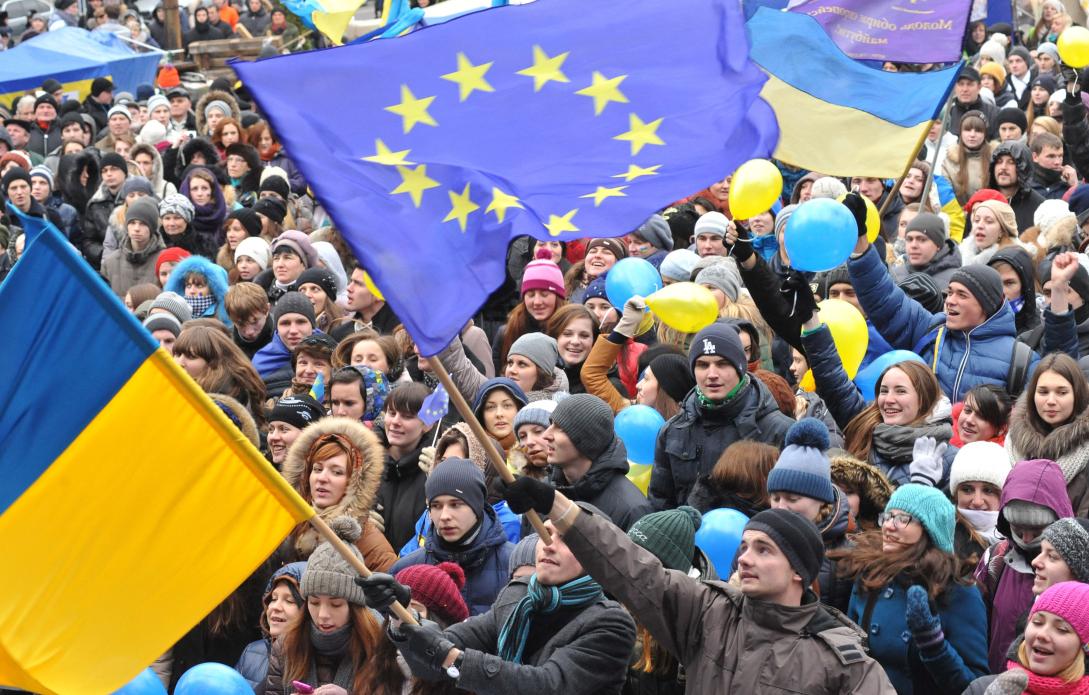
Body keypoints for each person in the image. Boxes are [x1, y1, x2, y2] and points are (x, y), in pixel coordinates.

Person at [495, 481, 896, 692]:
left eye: (763, 550)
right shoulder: (710, 611)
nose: (745, 559)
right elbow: (632, 568)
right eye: (743, 548)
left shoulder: (841, 661)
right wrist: (556, 504)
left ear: (798, 572)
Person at [361, 513, 637, 695]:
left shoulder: (610, 623)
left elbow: (548, 686)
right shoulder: (517, 596)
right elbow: (428, 662)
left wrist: (450, 656)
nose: (549, 544)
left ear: (596, 554)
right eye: (546, 532)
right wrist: (400, 614)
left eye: (566, 539)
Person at [833, 484, 989, 694]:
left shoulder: (959, 591)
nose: (889, 525)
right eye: (887, 516)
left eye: (902, 519)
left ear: (930, 528)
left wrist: (933, 643)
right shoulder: (872, 574)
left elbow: (974, 686)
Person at [650, 322, 792, 510]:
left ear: (740, 367)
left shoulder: (780, 431)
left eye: (722, 363)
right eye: (702, 365)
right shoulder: (674, 430)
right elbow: (660, 504)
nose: (712, 374)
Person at [264, 517, 405, 694]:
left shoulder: (380, 648)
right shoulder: (286, 646)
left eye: (336, 604)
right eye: (314, 602)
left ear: (355, 607)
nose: (322, 614)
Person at [974, 459, 1072, 673]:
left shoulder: (1076, 566)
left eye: (1037, 532)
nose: (1026, 539)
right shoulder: (995, 559)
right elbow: (974, 629)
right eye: (1018, 529)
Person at [390, 457, 514, 616]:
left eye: (455, 504)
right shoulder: (405, 569)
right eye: (436, 506)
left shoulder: (513, 565)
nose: (444, 516)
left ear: (477, 505)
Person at [279, 417, 398, 573]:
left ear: (356, 483)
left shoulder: (372, 546)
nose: (322, 478)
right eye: (317, 469)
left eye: (336, 472)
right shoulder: (288, 527)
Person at [766, 418, 853, 612]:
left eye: (793, 499)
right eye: (775, 497)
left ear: (821, 500)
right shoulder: (753, 543)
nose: (780, 507)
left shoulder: (848, 556)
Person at [545, 393, 652, 530]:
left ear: (588, 440)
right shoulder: (545, 492)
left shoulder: (631, 509)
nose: (546, 435)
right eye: (551, 424)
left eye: (560, 428)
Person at [962, 581, 1089, 694]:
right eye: (1037, 622)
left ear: (1085, 647)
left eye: (1061, 629)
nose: (1042, 634)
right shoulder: (981, 689)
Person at [1005, 353, 1089, 516]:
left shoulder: (1085, 453)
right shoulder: (1012, 443)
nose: (1051, 400)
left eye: (1062, 392)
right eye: (1043, 392)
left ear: (1077, 395)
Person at [377, 382, 435, 551]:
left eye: (407, 416)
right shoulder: (367, 463)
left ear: (428, 424)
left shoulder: (434, 469)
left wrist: (438, 480)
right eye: (392, 413)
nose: (395, 422)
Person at [235, 561, 306, 689]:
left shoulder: (321, 664)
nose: (275, 607)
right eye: (273, 599)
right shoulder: (251, 653)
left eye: (289, 601)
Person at [495, 250, 567, 374]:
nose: (537, 301)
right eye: (531, 295)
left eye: (544, 294)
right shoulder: (506, 332)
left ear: (558, 297)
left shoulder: (569, 333)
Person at [950, 441, 1011, 550]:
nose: (977, 502)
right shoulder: (940, 538)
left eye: (988, 490)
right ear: (955, 495)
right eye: (967, 490)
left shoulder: (1021, 543)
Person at [100, 197, 165, 297]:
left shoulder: (165, 261)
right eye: (132, 223)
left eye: (143, 224)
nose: (136, 229)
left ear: (152, 227)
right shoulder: (110, 262)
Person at [888, 213, 962, 288]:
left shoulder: (956, 281)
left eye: (922, 240)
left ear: (938, 245)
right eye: (909, 239)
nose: (913, 245)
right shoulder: (894, 275)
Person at [991, 141, 1047, 233]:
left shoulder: (1040, 207)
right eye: (999, 162)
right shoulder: (982, 201)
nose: (1003, 167)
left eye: (1011, 162)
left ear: (1024, 167)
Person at [266, 394, 324, 468]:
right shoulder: (259, 473)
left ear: (308, 434)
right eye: (271, 430)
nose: (273, 437)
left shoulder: (324, 475)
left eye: (283, 429)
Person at [225, 282, 273, 359]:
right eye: (240, 324)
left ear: (267, 309)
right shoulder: (225, 343)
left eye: (255, 322)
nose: (249, 332)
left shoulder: (282, 337)